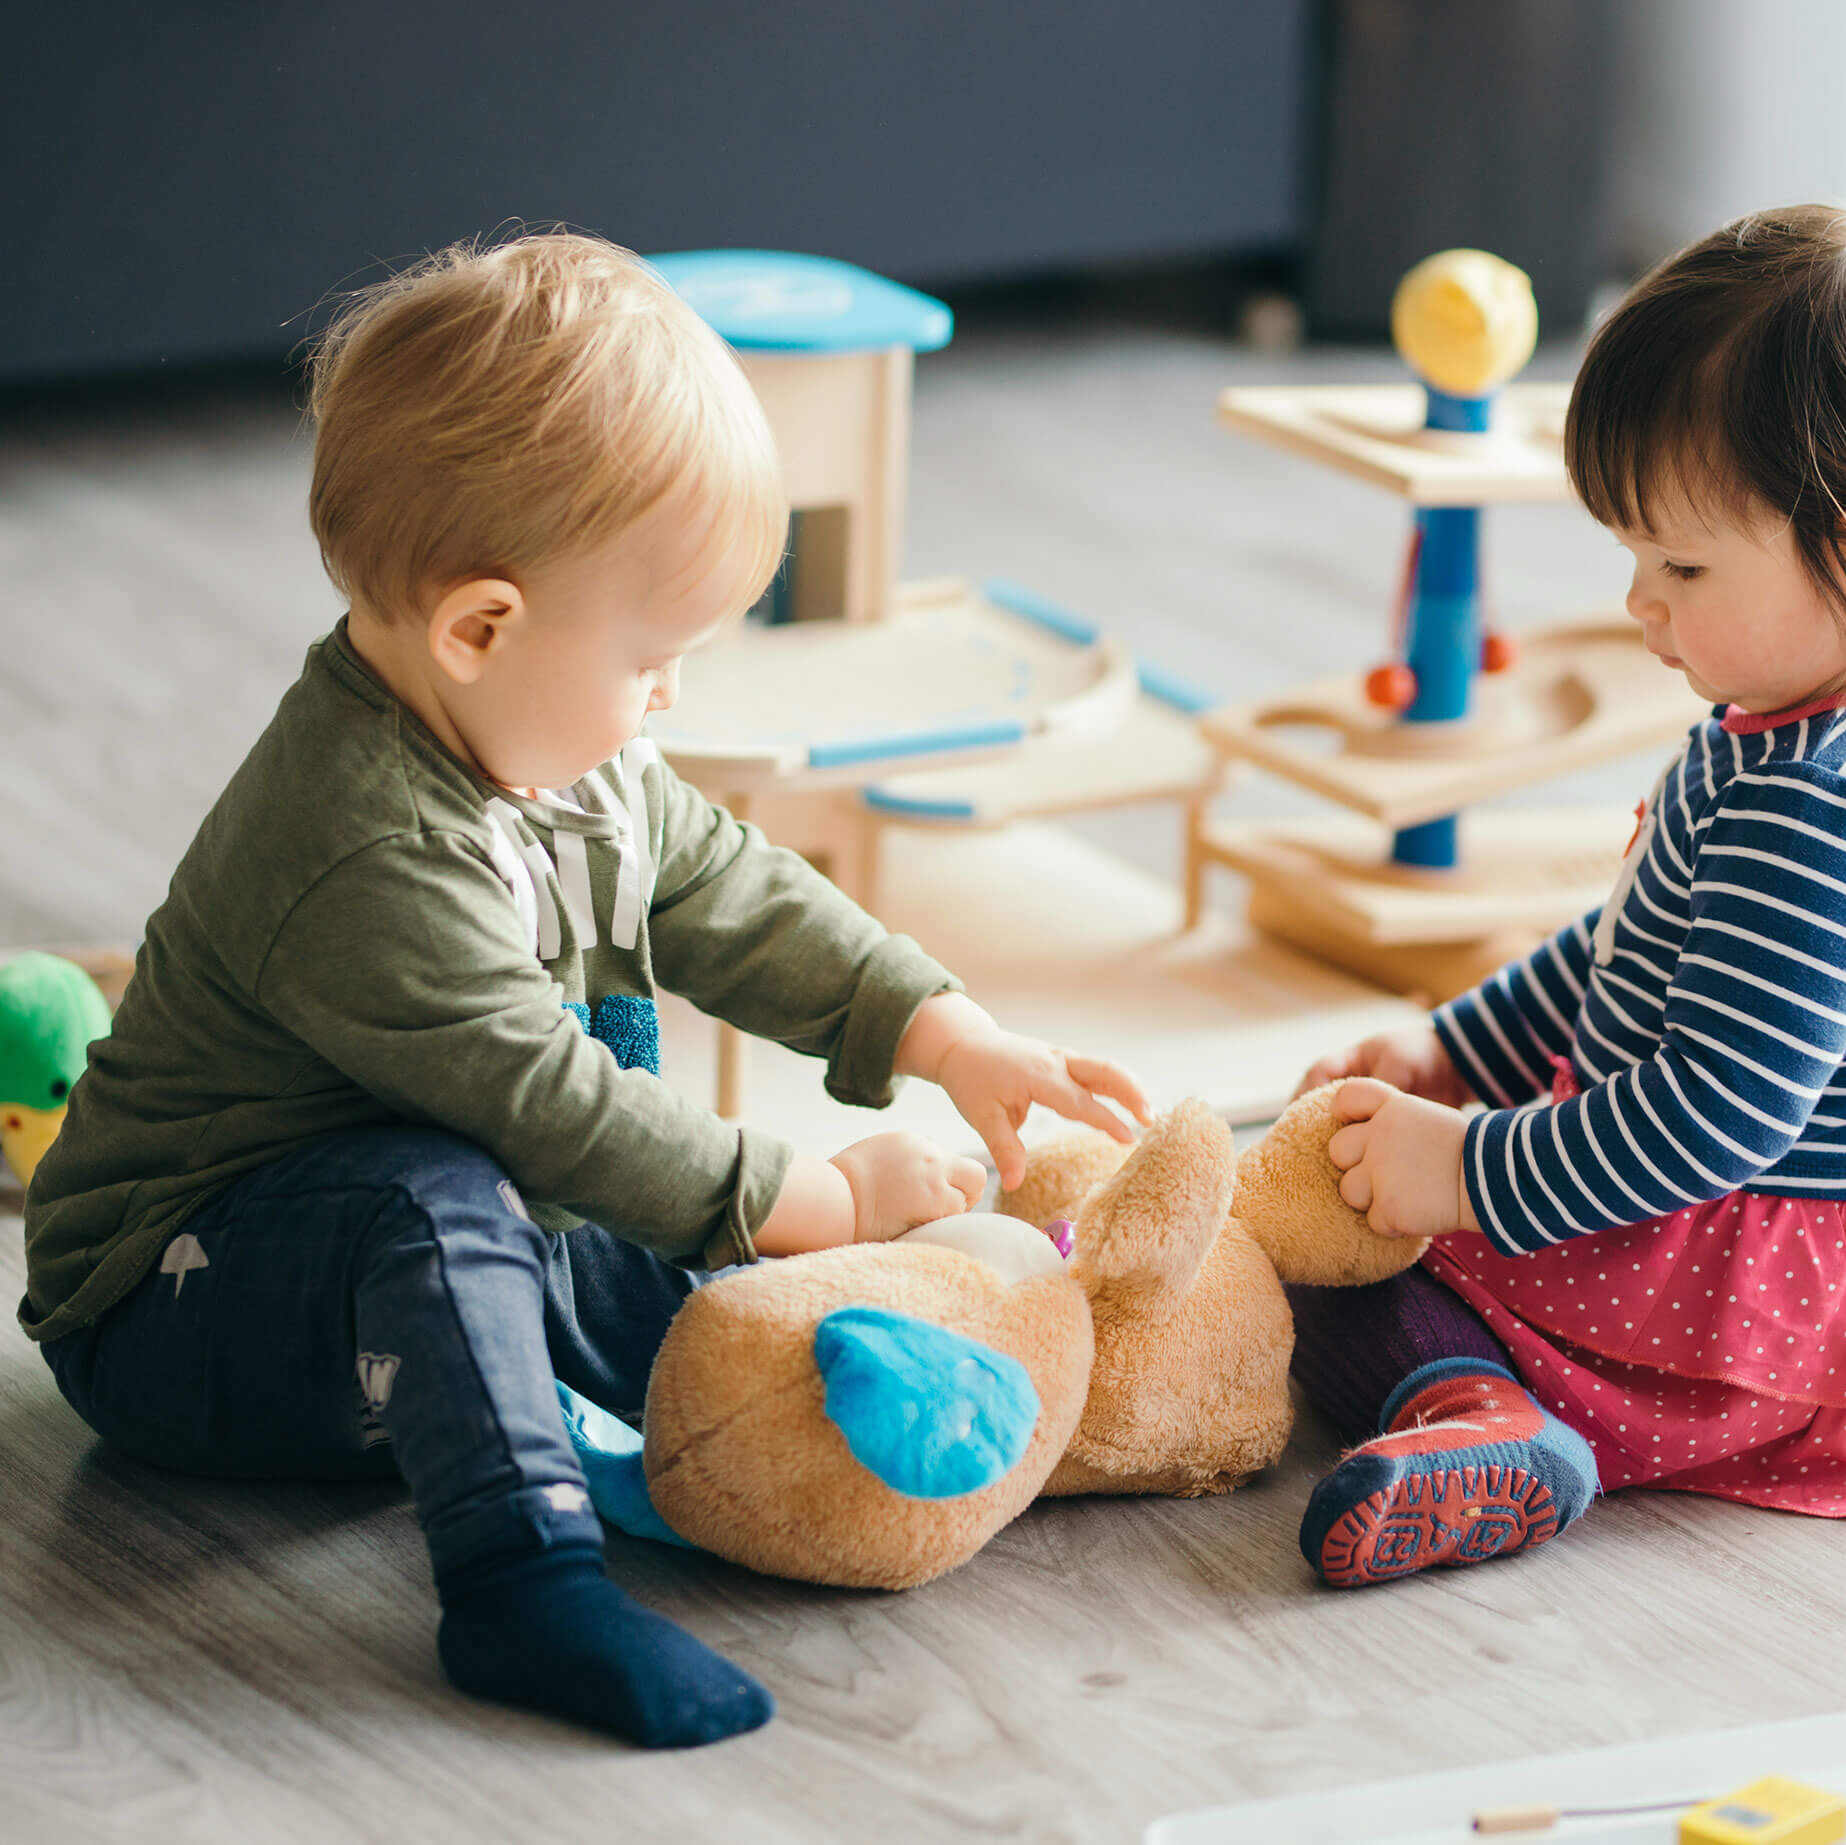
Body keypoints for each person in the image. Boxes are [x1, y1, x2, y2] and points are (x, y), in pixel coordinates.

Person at [19, 232, 1149, 1746]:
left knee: (634, 1239)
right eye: (654, 656)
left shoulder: (567, 746)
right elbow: (546, 1113)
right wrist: (817, 1195)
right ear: (480, 627)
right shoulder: (357, 843)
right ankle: (522, 1579)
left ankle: (840, 1410)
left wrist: (944, 1028)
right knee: (459, 1186)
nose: (670, 697)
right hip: (169, 1307)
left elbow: (725, 889)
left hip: (415, 1226)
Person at [1288, 203, 1846, 1588]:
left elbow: (1710, 1115)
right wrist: (1458, 1046)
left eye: (1684, 565)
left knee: (1337, 1271)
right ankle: (1502, 1392)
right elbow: (1638, 940)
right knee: (1374, 1191)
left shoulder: (1821, 798)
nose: (1641, 603)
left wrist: (1463, 1168)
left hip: (1751, 1300)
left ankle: (1488, 1412)